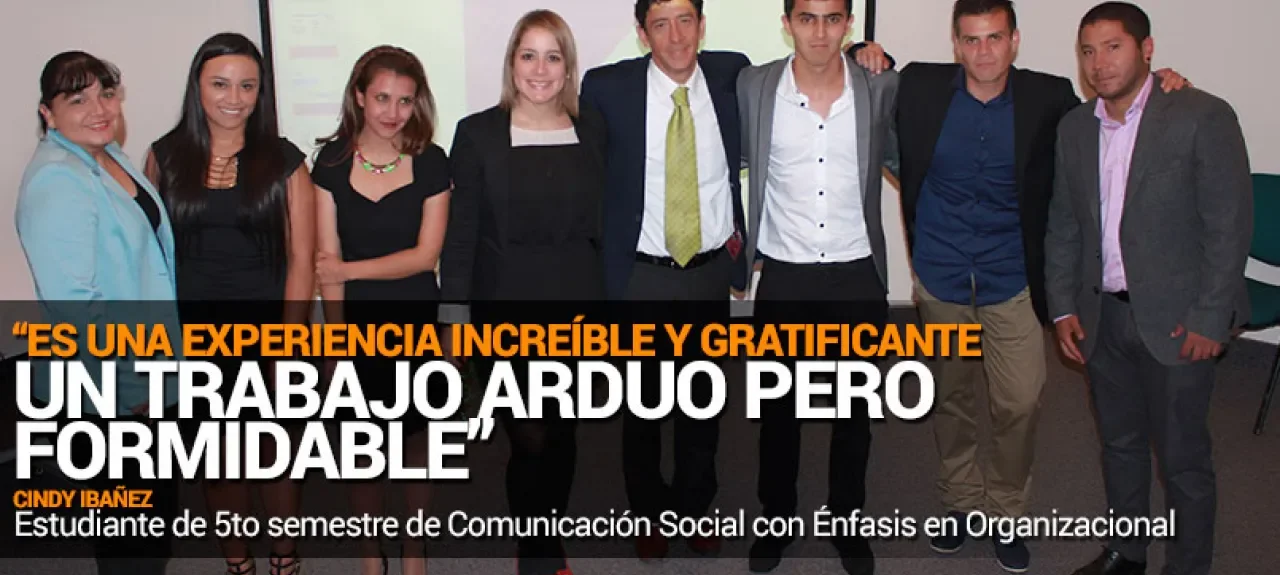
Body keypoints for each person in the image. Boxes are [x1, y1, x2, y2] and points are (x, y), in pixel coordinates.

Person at [847, 2, 1186, 570]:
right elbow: (860, 78)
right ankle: (961, 502)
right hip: (941, 276)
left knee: (1020, 402)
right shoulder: (921, 86)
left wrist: (1164, 85)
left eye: (995, 38)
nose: (983, 51)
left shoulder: (1049, 98)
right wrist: (859, 50)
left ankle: (1005, 509)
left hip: (1013, 279)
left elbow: (1114, 118)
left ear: (1015, 40)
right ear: (956, 44)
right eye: (971, 40)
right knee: (951, 399)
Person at [1045, 3, 1252, 575]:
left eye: (1113, 47)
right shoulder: (1074, 128)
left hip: (1180, 321)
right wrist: (1061, 306)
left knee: (1184, 460)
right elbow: (1063, 223)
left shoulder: (1201, 115)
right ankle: (1126, 552)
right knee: (1120, 446)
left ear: (1147, 49)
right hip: (1102, 318)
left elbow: (1228, 226)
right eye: (1088, 51)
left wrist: (1211, 317)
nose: (1099, 63)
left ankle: (1188, 566)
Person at [579, 0, 748, 560]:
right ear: (641, 32)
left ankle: (696, 508)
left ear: (701, 24)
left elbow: (803, 71)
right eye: (660, 24)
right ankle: (649, 511)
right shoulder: (607, 88)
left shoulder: (732, 74)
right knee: (644, 407)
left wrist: (867, 51)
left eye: (685, 20)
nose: (675, 36)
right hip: (642, 275)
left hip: (708, 273)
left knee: (703, 401)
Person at [440, 9, 607, 575]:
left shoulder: (593, 129)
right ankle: (536, 550)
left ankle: (548, 533)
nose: (540, 69)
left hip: (577, 309)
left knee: (561, 434)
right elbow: (461, 233)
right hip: (504, 311)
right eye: (529, 55)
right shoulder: (477, 133)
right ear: (512, 63)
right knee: (528, 438)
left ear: (568, 67)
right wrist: (454, 316)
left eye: (552, 57)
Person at [146, 32, 315, 575]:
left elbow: (301, 261)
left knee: (274, 457)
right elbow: (151, 257)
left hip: (268, 339)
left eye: (247, 86)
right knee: (217, 461)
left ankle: (284, 558)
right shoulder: (163, 157)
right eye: (220, 84)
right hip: (193, 341)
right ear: (197, 87)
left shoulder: (286, 161)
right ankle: (237, 562)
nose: (234, 98)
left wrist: (287, 348)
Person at [736, 1, 896, 574]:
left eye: (833, 18)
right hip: (785, 274)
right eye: (807, 18)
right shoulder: (754, 87)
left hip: (857, 273)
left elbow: (911, 149)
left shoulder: (880, 86)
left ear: (849, 24)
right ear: (787, 24)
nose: (820, 31)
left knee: (854, 414)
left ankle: (847, 520)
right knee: (779, 413)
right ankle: (776, 518)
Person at [16, 50, 182, 575]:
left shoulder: (107, 155)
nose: (99, 109)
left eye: (106, 94)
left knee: (151, 523)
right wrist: (133, 390)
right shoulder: (56, 179)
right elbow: (77, 306)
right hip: (110, 389)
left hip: (143, 372)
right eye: (78, 99)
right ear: (48, 113)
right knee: (130, 537)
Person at [311, 45, 450, 575]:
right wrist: (334, 344)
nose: (394, 112)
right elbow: (325, 262)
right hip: (354, 330)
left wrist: (347, 271)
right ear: (359, 97)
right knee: (361, 453)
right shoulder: (330, 163)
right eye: (382, 98)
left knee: (418, 447)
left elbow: (425, 256)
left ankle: (414, 550)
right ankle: (371, 553)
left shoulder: (432, 161)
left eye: (405, 101)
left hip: (417, 324)